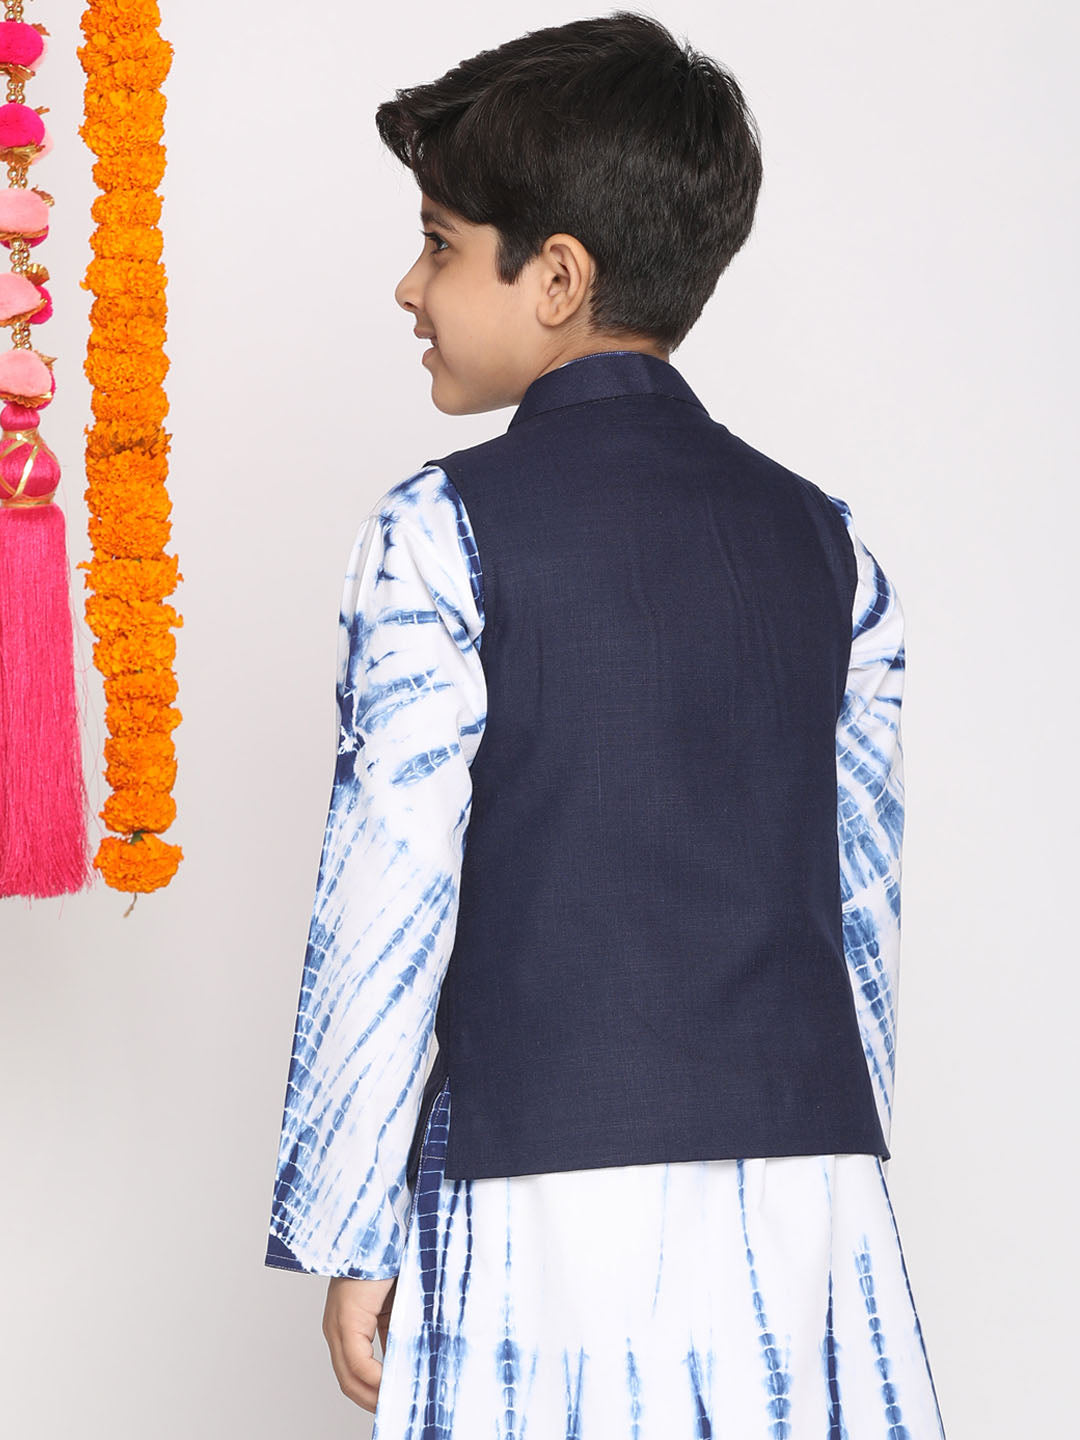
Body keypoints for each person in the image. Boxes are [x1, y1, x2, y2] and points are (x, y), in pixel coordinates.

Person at [263, 12, 947, 1437]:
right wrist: (836, 1166)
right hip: (804, 1193)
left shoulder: (438, 533)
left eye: (440, 244)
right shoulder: (835, 551)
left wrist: (350, 1224)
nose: (409, 285)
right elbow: (862, 912)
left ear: (558, 278)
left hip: (540, 1197)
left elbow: (390, 894)